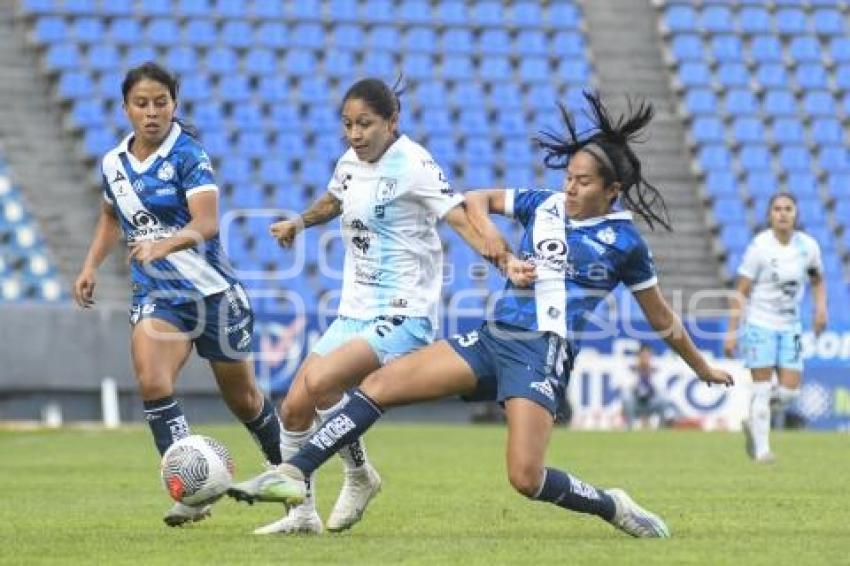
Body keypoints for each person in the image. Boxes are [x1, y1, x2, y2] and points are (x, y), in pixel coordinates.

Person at [228, 91, 734, 538]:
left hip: (541, 353)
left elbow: (661, 316)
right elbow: (475, 200)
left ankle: (611, 504)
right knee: (378, 386)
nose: (571, 187)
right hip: (493, 337)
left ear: (612, 190)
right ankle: (293, 474)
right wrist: (496, 245)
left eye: (582, 181)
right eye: (569, 176)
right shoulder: (545, 204)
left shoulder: (625, 243)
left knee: (525, 479)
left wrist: (701, 367)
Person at [248, 77, 497, 535]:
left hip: (404, 310)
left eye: (365, 124)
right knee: (295, 406)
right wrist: (299, 223)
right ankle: (304, 514)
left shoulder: (415, 164)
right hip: (356, 308)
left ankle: (357, 476)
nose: (355, 134)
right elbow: (335, 199)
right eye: (347, 124)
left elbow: (459, 217)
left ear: (392, 121)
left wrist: (502, 258)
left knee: (323, 380)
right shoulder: (350, 161)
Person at [72, 62, 285, 526]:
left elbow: (206, 223)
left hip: (212, 294)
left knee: (244, 398)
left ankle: (285, 469)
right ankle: (192, 492)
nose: (152, 112)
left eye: (160, 102)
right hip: (158, 295)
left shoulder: (189, 155)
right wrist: (90, 266)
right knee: (152, 380)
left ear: (175, 104)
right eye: (141, 103)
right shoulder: (114, 163)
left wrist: (163, 244)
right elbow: (111, 216)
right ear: (125, 108)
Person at [724, 192, 826, 463]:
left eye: (788, 209)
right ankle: (761, 451)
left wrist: (820, 310)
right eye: (777, 209)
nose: (782, 213)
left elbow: (817, 279)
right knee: (761, 387)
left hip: (790, 325)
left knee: (789, 392)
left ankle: (754, 417)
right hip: (760, 322)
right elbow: (741, 290)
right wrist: (732, 331)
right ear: (770, 215)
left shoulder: (808, 247)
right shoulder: (759, 247)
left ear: (796, 214)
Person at [621, 343, 681, 429]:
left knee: (664, 399)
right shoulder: (631, 370)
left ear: (650, 357)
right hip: (635, 402)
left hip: (651, 403)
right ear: (638, 357)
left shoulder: (656, 371)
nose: (645, 359)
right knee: (626, 398)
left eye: (647, 356)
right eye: (642, 356)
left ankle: (661, 428)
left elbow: (661, 390)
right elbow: (626, 388)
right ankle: (630, 428)